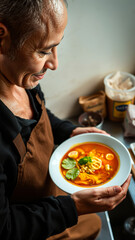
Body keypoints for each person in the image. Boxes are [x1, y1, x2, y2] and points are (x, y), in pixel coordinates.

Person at [0, 0, 131, 239]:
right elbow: (4, 228)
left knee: (92, 225)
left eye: (56, 47)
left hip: (50, 196)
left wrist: (68, 131)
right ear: (1, 36)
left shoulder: (19, 78)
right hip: (33, 226)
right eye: (43, 51)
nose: (54, 64)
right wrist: (73, 208)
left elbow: (39, 115)